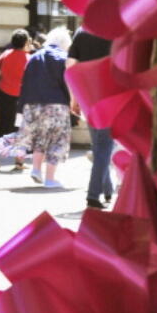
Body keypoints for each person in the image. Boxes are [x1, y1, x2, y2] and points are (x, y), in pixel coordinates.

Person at [18, 26, 73, 188]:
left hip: (33, 104)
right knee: (57, 140)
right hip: (56, 104)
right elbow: (69, 82)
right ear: (65, 43)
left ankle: (36, 169)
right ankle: (50, 178)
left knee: (40, 137)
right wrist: (73, 102)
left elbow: (24, 82)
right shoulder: (63, 57)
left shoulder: (33, 57)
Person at [66, 27, 114, 209]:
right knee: (104, 147)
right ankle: (93, 195)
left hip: (88, 96)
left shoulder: (81, 32)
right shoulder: (118, 30)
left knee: (100, 146)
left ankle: (107, 188)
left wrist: (74, 97)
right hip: (111, 95)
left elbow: (70, 65)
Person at [0, 29, 29, 147]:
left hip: (3, 94)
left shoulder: (4, 55)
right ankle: (19, 160)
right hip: (20, 97)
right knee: (19, 126)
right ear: (25, 42)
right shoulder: (28, 58)